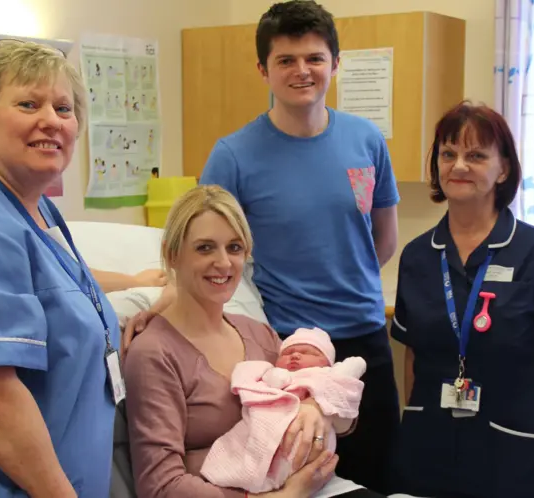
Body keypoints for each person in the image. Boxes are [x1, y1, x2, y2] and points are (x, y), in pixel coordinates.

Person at [197, 1, 401, 492]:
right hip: (283, 352)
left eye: (314, 57)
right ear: (263, 69)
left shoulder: (366, 139)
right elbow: (199, 252)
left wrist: (343, 284)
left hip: (364, 341)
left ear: (335, 62)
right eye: (286, 60)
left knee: (375, 474)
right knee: (294, 481)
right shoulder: (233, 156)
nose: (301, 70)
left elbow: (385, 238)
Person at [0, 39, 122, 497]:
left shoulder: (35, 211)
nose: (51, 120)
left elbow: (62, 300)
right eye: (28, 104)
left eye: (64, 108)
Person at [123, 185, 384, 498]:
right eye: (205, 248)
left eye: (234, 248)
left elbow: (339, 411)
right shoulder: (154, 353)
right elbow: (160, 486)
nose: (223, 263)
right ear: (172, 254)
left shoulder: (260, 334)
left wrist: (316, 407)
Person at [389, 101, 534, 498]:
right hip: (428, 454)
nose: (459, 166)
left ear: (503, 169)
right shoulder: (418, 256)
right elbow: (413, 357)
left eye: (476, 155)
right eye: (448, 154)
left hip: (518, 457)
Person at [201, 326, 369, 494]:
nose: (295, 355)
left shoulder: (328, 376)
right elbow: (266, 382)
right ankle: (266, 478)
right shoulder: (274, 373)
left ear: (327, 362)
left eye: (308, 352)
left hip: (316, 455)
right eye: (288, 353)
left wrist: (320, 403)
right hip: (271, 424)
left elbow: (345, 397)